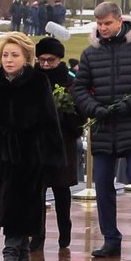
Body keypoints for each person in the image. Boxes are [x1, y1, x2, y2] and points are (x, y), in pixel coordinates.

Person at [71, 1, 131, 258]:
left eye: (108, 24)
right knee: (102, 184)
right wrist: (93, 108)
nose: (103, 29)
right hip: (103, 127)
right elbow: (79, 89)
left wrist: (129, 105)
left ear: (120, 20)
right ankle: (110, 237)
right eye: (99, 24)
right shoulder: (91, 53)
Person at [0, 32, 67, 261]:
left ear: (26, 57)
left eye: (15, 55)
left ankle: (11, 251)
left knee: (21, 206)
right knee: (4, 205)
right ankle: (21, 254)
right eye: (5, 55)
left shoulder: (38, 82)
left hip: (29, 156)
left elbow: (49, 121)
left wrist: (54, 158)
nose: (9, 60)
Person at [34, 35, 82, 249]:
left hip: (63, 144)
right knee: (36, 192)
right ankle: (37, 235)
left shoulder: (70, 81)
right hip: (36, 145)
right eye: (41, 60)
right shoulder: (32, 79)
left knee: (61, 191)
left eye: (50, 60)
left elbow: (80, 116)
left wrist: (64, 117)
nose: (45, 64)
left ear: (59, 60)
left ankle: (65, 232)